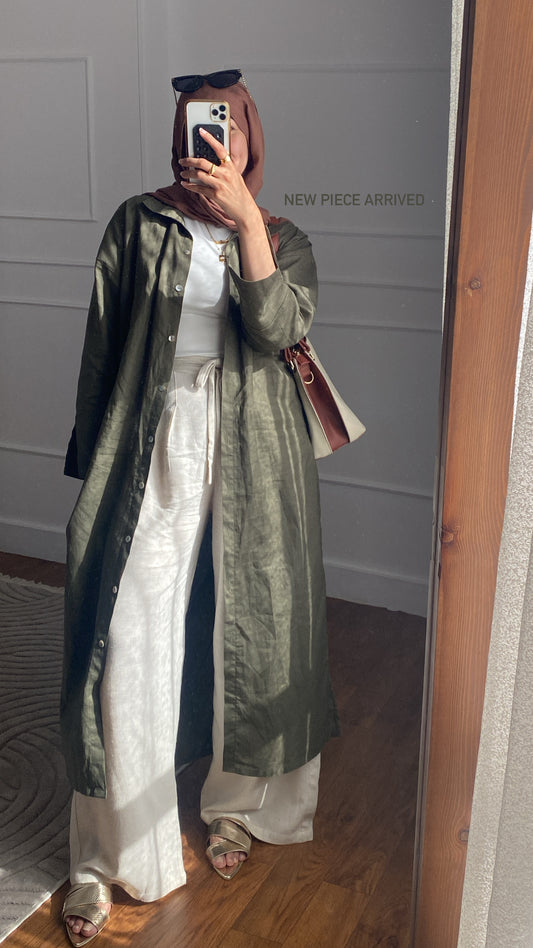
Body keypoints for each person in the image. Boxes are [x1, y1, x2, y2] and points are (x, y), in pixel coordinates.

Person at [60, 69, 338, 946]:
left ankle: (237, 808)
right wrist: (92, 459)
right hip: (155, 437)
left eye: (227, 126)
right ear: (177, 135)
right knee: (127, 631)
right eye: (196, 124)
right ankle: (109, 851)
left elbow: (279, 329)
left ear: (252, 137)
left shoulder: (284, 237)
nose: (212, 140)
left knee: (254, 625)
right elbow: (104, 342)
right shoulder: (138, 224)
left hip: (259, 448)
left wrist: (246, 222)